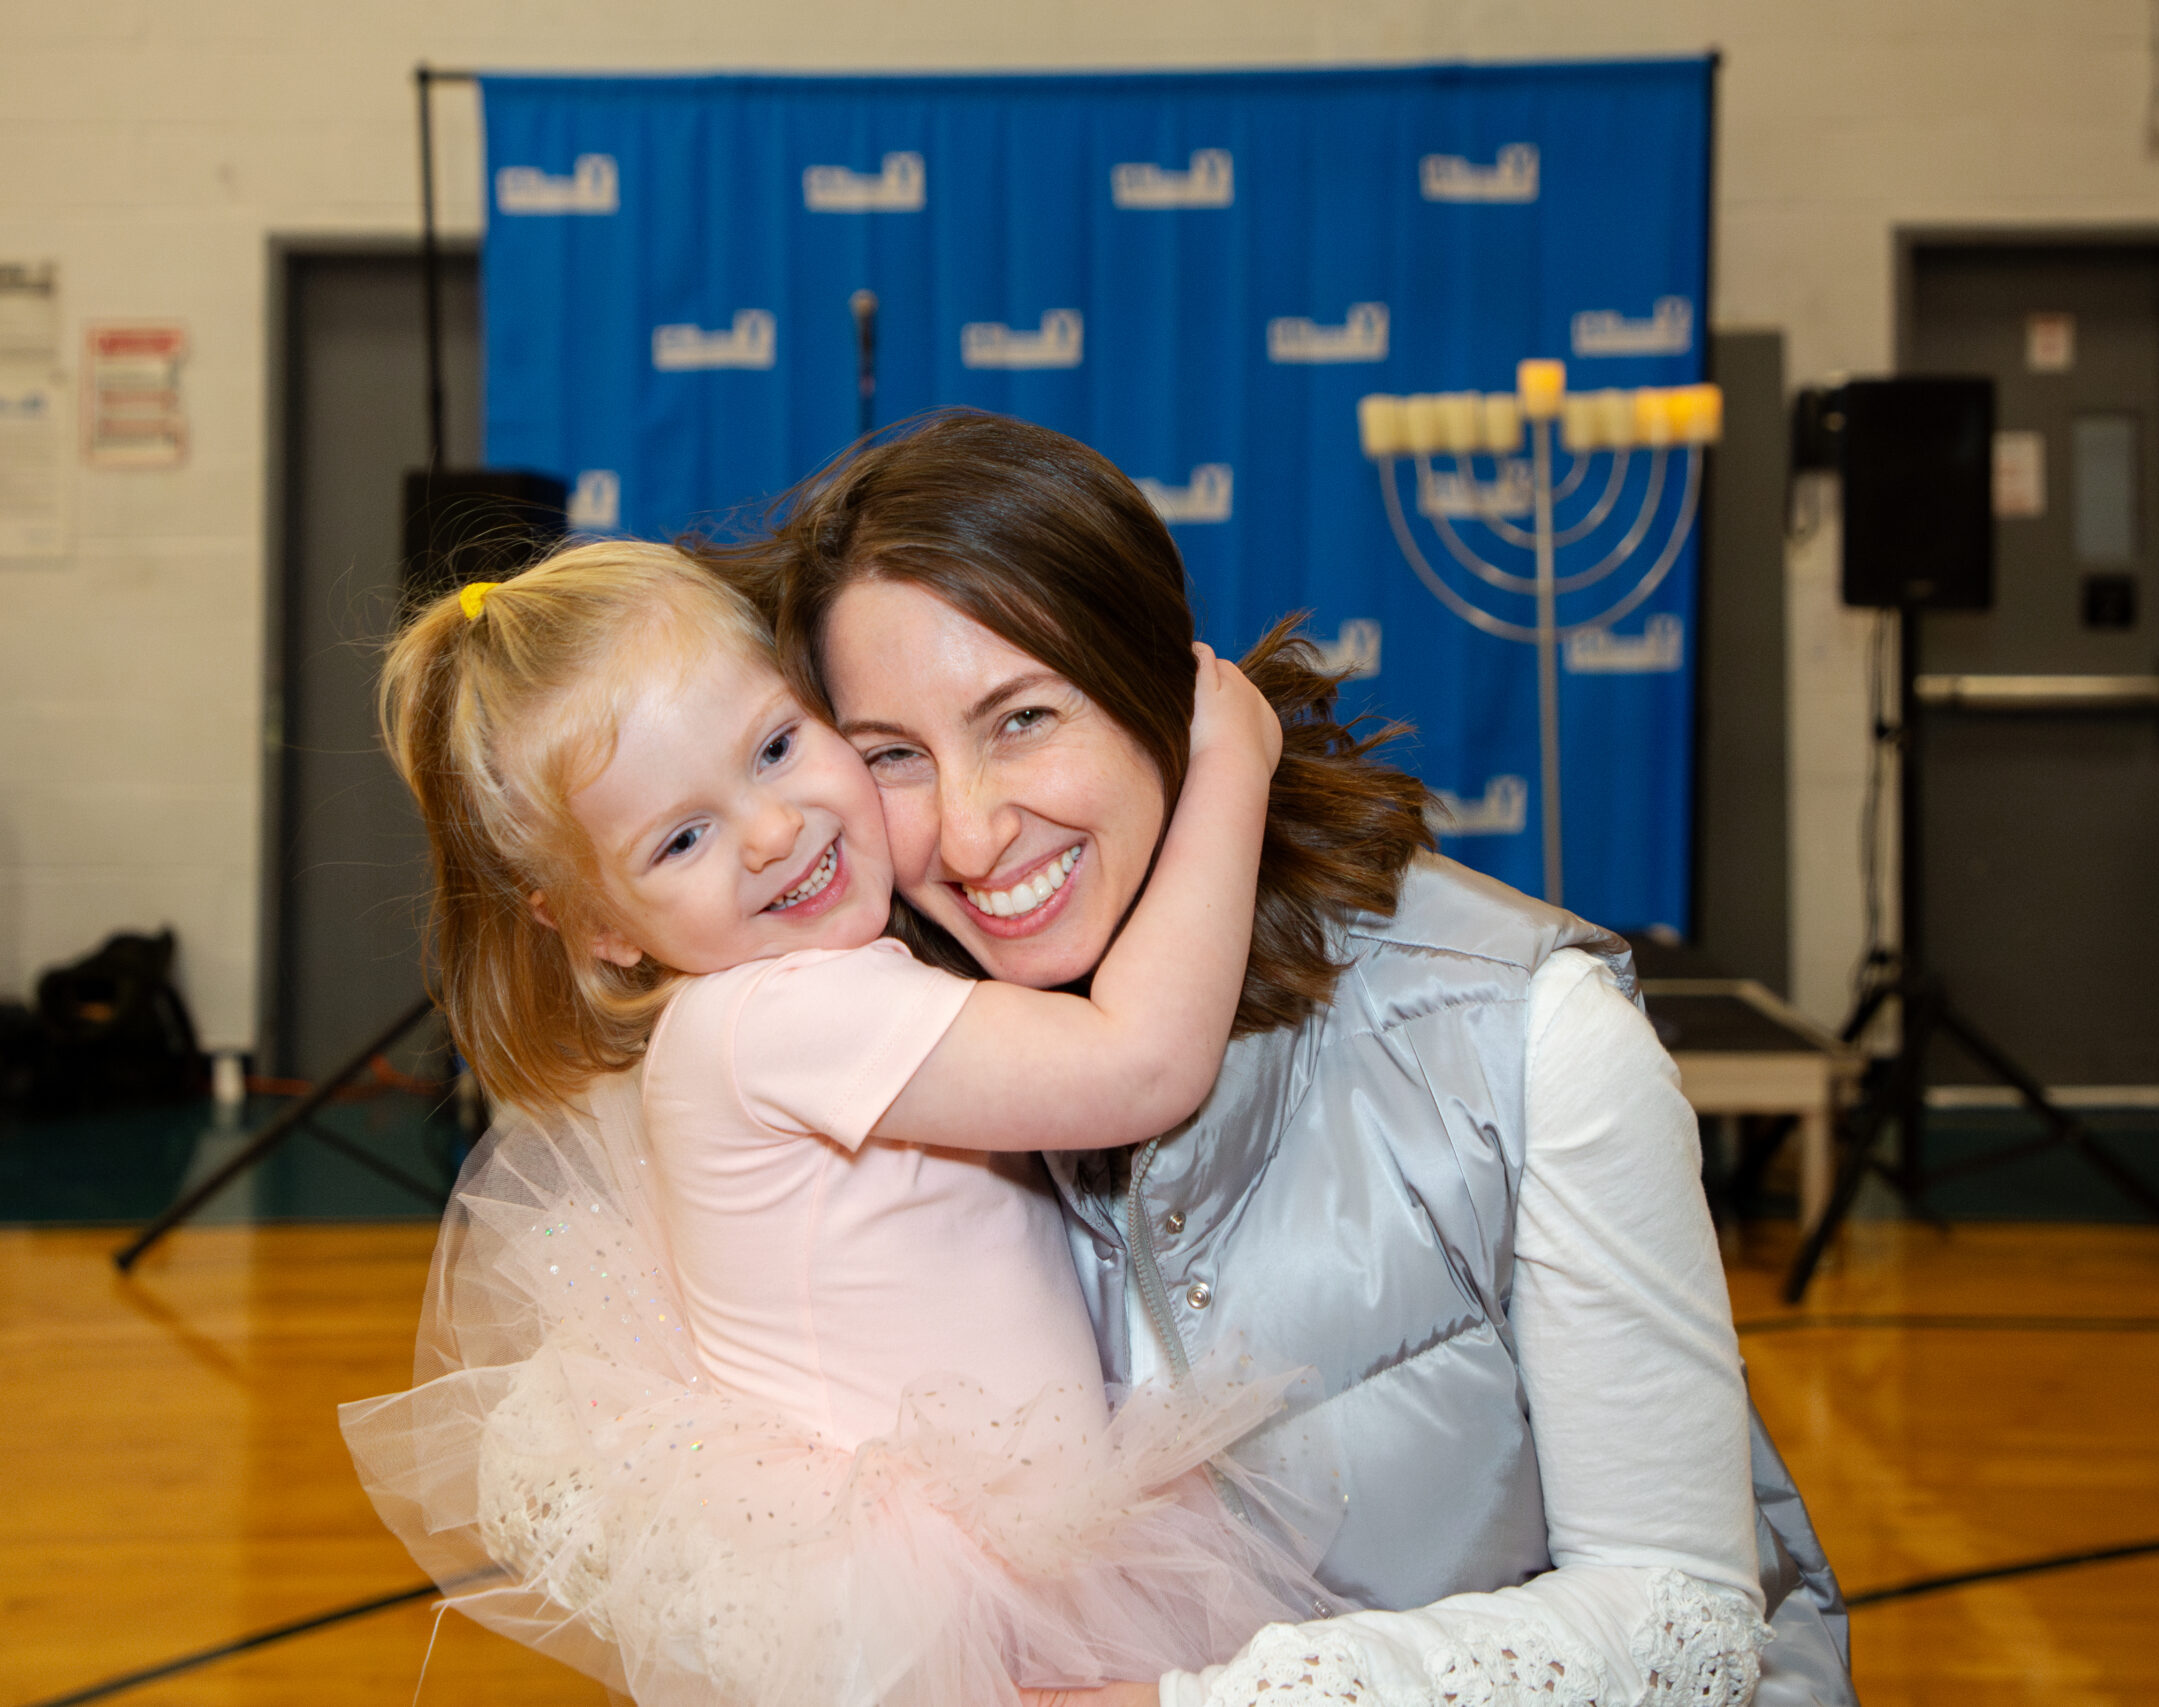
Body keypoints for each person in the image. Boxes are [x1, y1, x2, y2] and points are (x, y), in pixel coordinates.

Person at [724, 409, 1854, 1707]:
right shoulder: (882, 1057)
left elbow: (1688, 1620)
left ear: (1163, 687)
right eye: (893, 757)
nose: (972, 835)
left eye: (1025, 716)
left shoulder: (1520, 1032)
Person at [339, 541, 1341, 1707]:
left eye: (774, 748)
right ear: (598, 925)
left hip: (991, 1566)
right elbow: (1143, 1062)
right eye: (681, 838)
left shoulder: (784, 1001)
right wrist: (1230, 762)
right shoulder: (782, 1017)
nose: (769, 832)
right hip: (944, 1603)